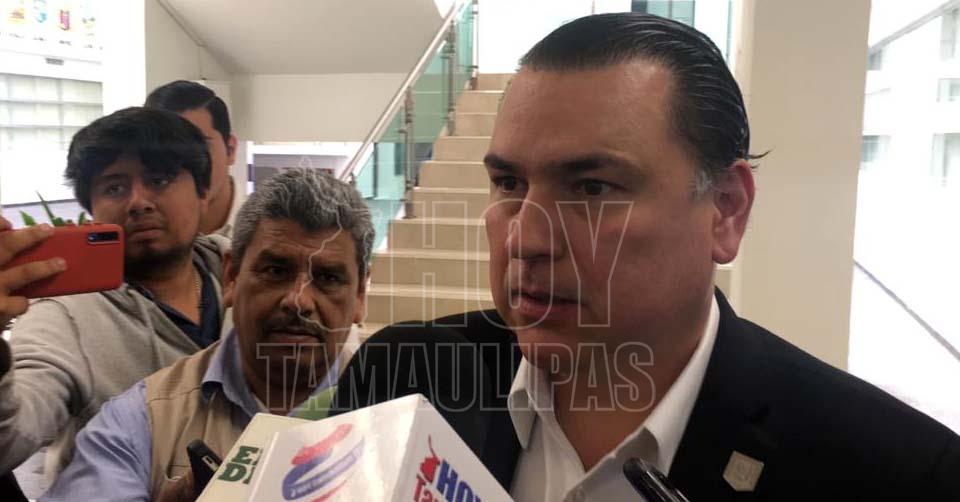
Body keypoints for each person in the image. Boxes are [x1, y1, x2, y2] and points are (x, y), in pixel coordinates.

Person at [333, 13, 960, 501]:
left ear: (726, 210)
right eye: (509, 183)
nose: (525, 239)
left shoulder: (895, 475)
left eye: (592, 188)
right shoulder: (399, 382)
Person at [42, 169, 373, 500]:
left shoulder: (391, 414)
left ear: (359, 296)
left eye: (328, 278)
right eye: (276, 271)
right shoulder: (140, 423)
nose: (298, 301)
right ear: (231, 276)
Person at [0, 107, 230, 482]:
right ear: (91, 210)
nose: (138, 201)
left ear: (203, 193)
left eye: (159, 179)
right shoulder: (65, 314)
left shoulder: (244, 274)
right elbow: (11, 437)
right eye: (114, 187)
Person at [146, 80, 242, 237]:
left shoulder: (269, 230)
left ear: (230, 150)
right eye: (166, 151)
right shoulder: (137, 234)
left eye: (197, 147)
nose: (181, 164)